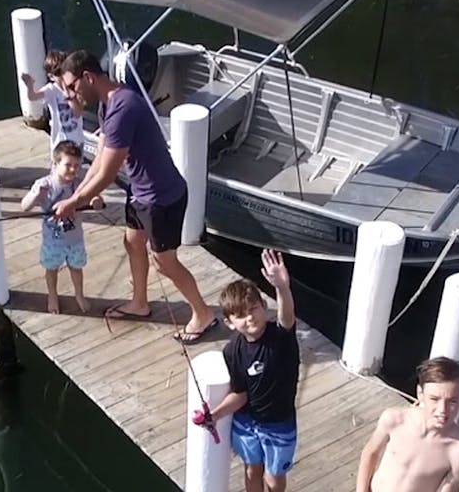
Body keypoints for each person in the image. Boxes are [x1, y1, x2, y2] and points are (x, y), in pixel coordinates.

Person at [51, 50, 216, 343]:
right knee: (133, 242)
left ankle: (203, 315)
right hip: (140, 193)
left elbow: (106, 174)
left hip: (161, 198)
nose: (71, 95)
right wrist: (75, 196)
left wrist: (73, 204)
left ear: (88, 77)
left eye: (72, 87)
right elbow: (99, 161)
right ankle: (140, 304)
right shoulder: (108, 104)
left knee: (165, 263)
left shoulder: (123, 109)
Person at [207, 249, 298, 492]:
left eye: (253, 309)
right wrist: (215, 415)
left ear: (264, 307)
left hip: (279, 424)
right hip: (247, 422)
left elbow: (287, 317)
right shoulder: (231, 351)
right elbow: (240, 393)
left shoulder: (280, 337)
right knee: (251, 470)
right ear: (229, 323)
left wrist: (282, 287)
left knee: (274, 478)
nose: (249, 318)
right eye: (240, 315)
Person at [356, 357, 459, 492]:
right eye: (434, 399)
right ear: (420, 394)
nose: (442, 409)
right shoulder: (395, 420)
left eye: (452, 401)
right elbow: (370, 454)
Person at [19, 140, 104, 314]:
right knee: (51, 269)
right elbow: (24, 206)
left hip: (75, 239)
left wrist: (96, 200)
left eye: (76, 165)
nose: (73, 169)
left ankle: (79, 295)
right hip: (53, 241)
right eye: (68, 165)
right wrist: (35, 195)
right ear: (56, 163)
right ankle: (52, 295)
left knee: (76, 268)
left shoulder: (80, 184)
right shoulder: (44, 184)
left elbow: (97, 199)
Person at [20, 50, 86, 152]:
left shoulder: (75, 88)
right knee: (59, 161)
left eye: (66, 70)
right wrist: (29, 86)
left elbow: (78, 113)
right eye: (59, 73)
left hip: (76, 140)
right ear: (51, 77)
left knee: (76, 161)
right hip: (59, 141)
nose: (63, 76)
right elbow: (33, 97)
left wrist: (70, 96)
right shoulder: (51, 90)